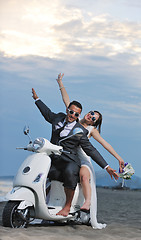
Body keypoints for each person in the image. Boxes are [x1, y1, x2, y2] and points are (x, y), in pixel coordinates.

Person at [32, 87, 119, 218]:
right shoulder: (58, 118)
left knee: (69, 171)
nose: (73, 115)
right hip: (54, 157)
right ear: (68, 110)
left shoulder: (81, 131)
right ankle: (37, 201)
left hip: (70, 159)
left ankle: (67, 207)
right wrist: (37, 99)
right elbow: (47, 113)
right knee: (39, 170)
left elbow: (91, 149)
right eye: (71, 112)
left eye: (76, 114)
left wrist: (107, 167)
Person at [55, 73, 125, 228]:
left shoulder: (92, 130)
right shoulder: (74, 117)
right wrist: (60, 83)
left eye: (94, 118)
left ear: (95, 123)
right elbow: (67, 101)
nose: (91, 117)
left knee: (84, 177)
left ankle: (87, 202)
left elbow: (105, 145)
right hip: (69, 156)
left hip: (84, 158)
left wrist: (119, 158)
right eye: (92, 113)